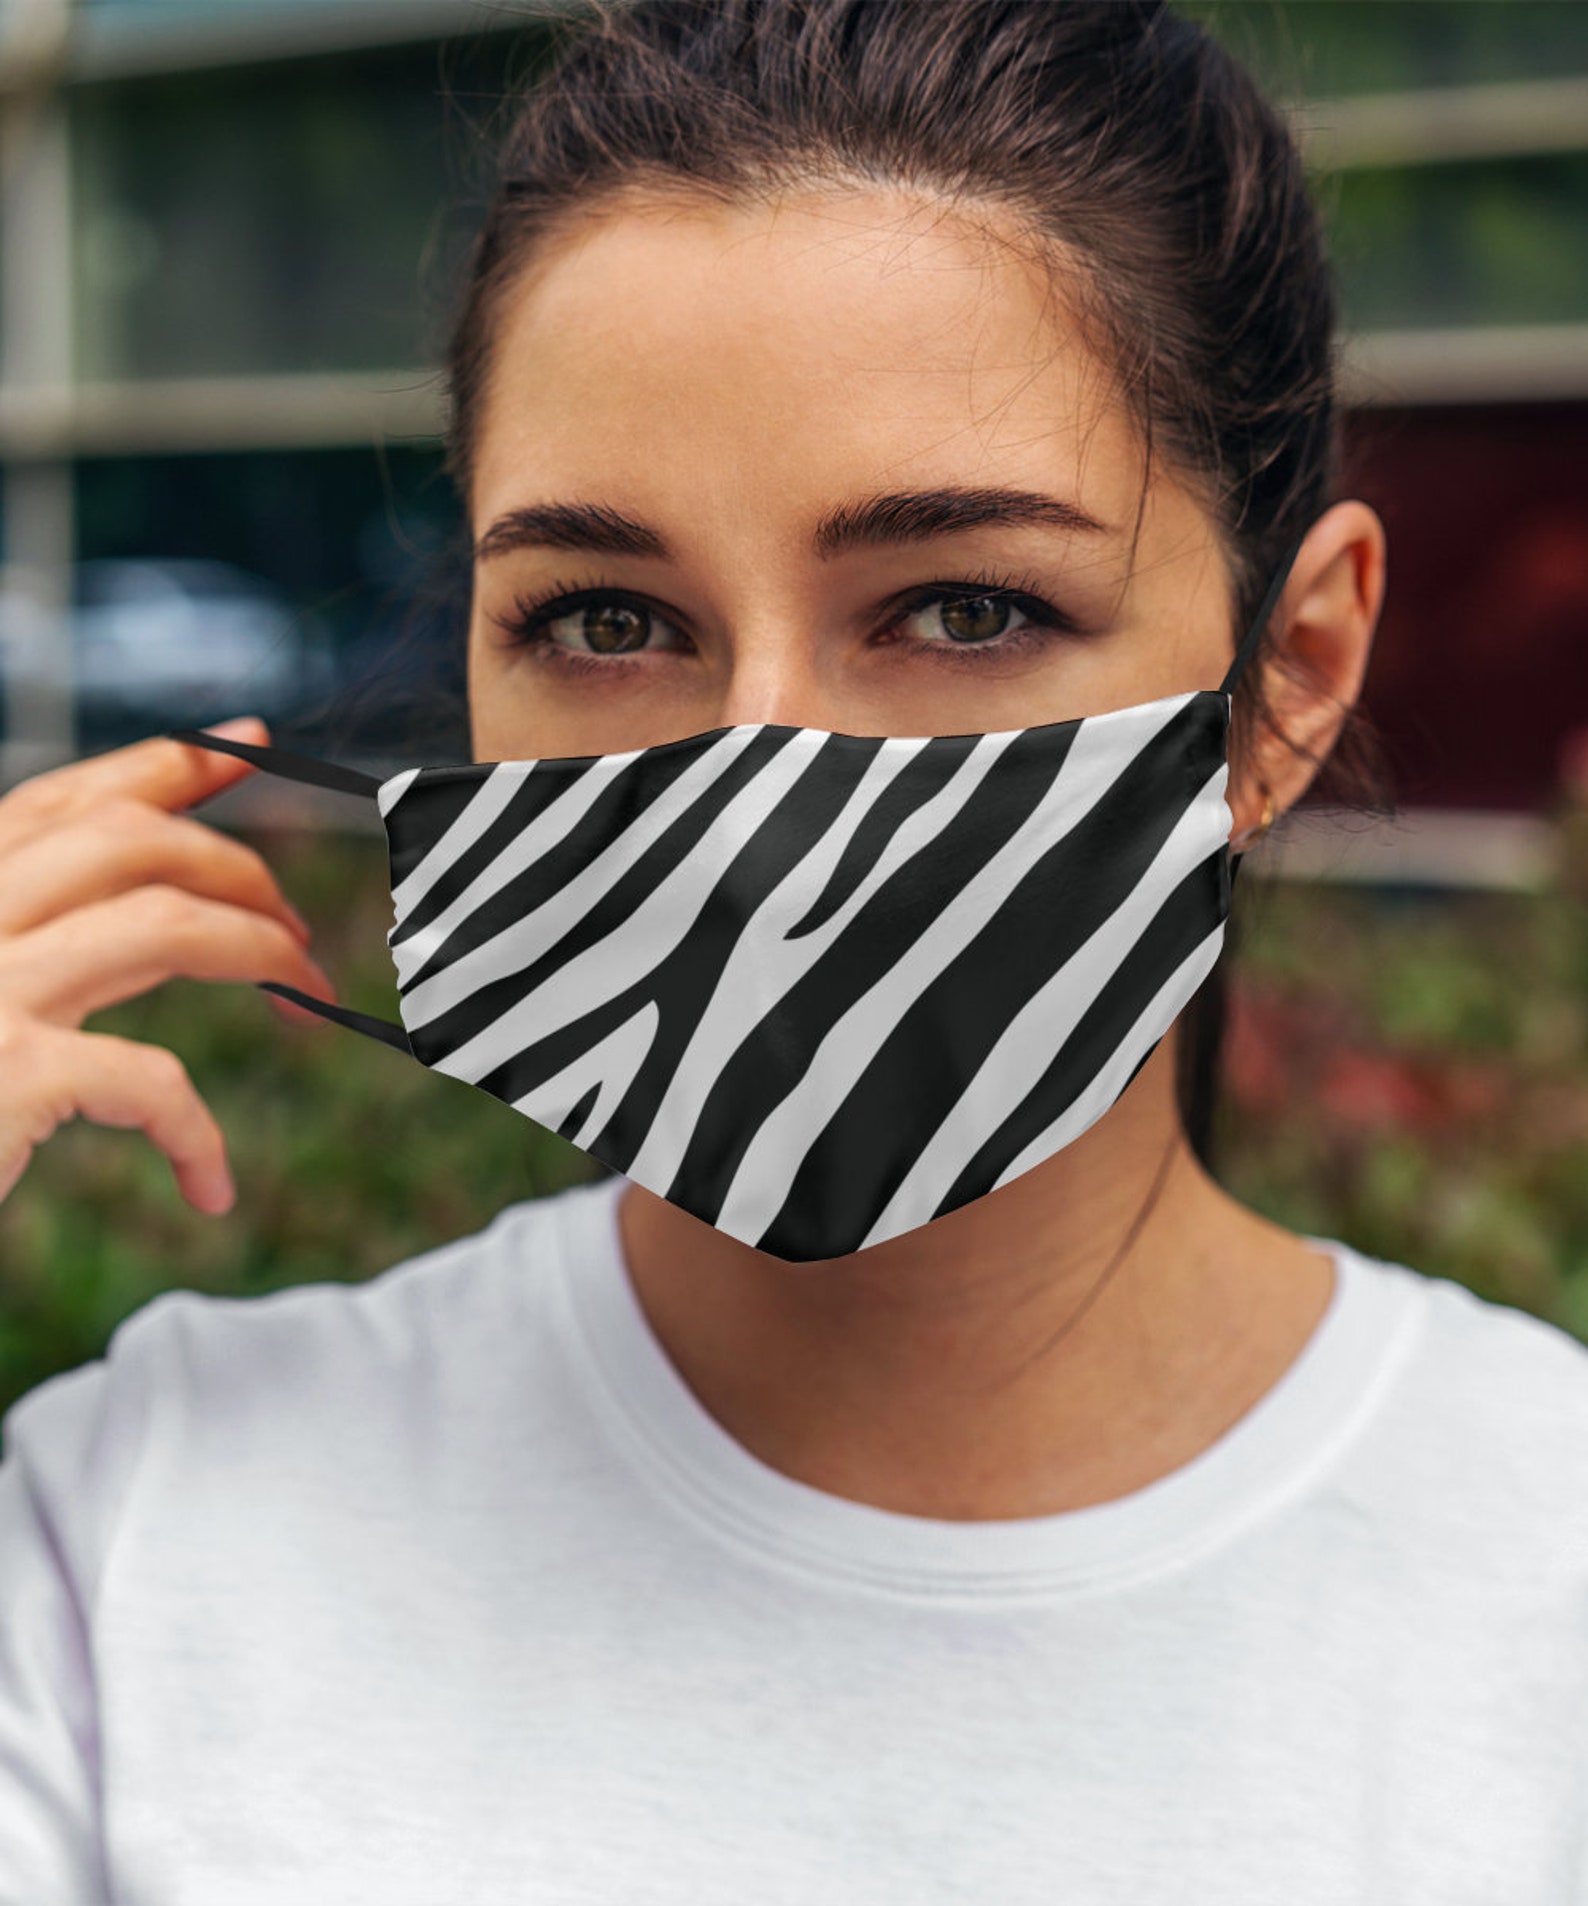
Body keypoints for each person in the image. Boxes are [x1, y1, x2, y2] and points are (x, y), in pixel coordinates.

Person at [1, 2, 1584, 1898]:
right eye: (604, 620)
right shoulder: (137, 1545)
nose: (758, 783)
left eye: (963, 604)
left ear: (1290, 679)